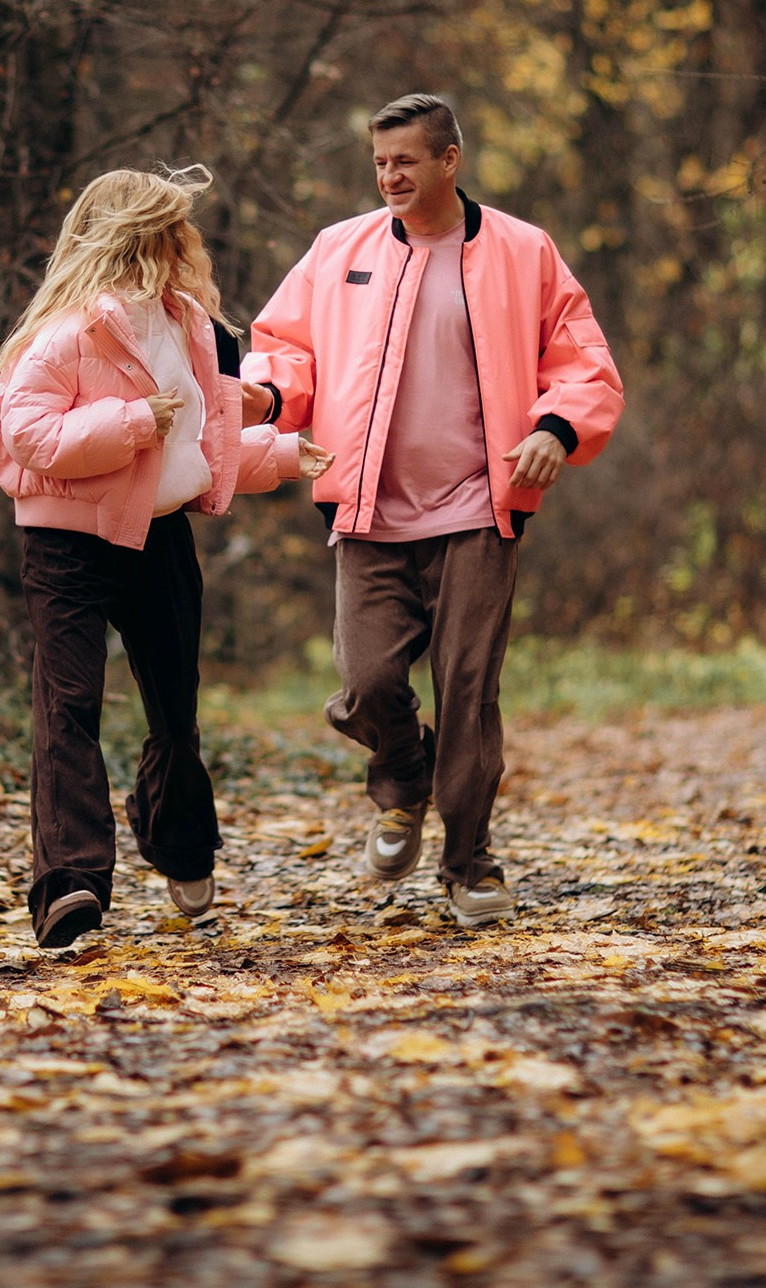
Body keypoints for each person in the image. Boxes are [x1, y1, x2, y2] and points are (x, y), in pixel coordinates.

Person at [243, 94, 623, 926]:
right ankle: (403, 777)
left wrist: (557, 429)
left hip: (479, 511)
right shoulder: (338, 250)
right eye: (380, 164)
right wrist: (266, 396)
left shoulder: (524, 252)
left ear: (450, 161)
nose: (390, 177)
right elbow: (286, 351)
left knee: (467, 688)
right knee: (366, 682)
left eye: (406, 161)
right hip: (366, 506)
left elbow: (583, 358)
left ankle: (468, 862)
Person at [0, 166, 332, 948]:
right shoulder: (68, 333)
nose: (192, 240)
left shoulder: (191, 328)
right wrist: (134, 419)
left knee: (175, 712)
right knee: (67, 706)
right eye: (178, 226)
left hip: (158, 533)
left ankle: (178, 843)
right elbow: (25, 437)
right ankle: (68, 884)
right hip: (65, 541)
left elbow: (190, 448)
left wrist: (273, 454)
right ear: (142, 236)